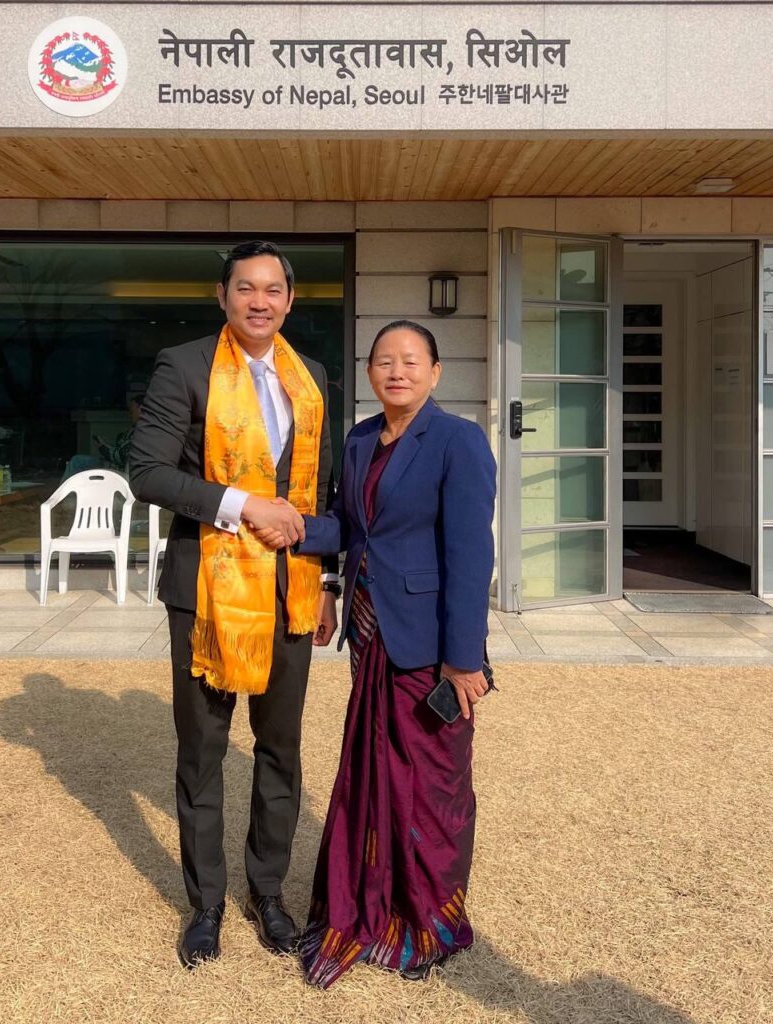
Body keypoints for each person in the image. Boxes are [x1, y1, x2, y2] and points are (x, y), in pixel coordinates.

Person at [266, 319, 496, 988]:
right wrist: (297, 530)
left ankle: (429, 924)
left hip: (430, 645)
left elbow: (470, 554)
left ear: (435, 372)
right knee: (373, 778)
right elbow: (348, 525)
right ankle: (370, 908)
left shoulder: (457, 440)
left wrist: (463, 658)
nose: (397, 371)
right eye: (384, 361)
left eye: (411, 361)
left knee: (429, 788)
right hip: (371, 634)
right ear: (369, 372)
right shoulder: (361, 438)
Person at [129, 240, 340, 969]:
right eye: (245, 288)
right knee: (203, 752)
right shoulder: (184, 366)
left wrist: (326, 582)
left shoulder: (310, 377)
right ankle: (206, 904)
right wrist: (245, 505)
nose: (259, 301)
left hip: (289, 591)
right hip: (206, 594)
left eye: (273, 289)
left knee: (280, 751)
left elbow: (318, 492)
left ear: (290, 300)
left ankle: (268, 894)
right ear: (222, 296)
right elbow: (148, 472)